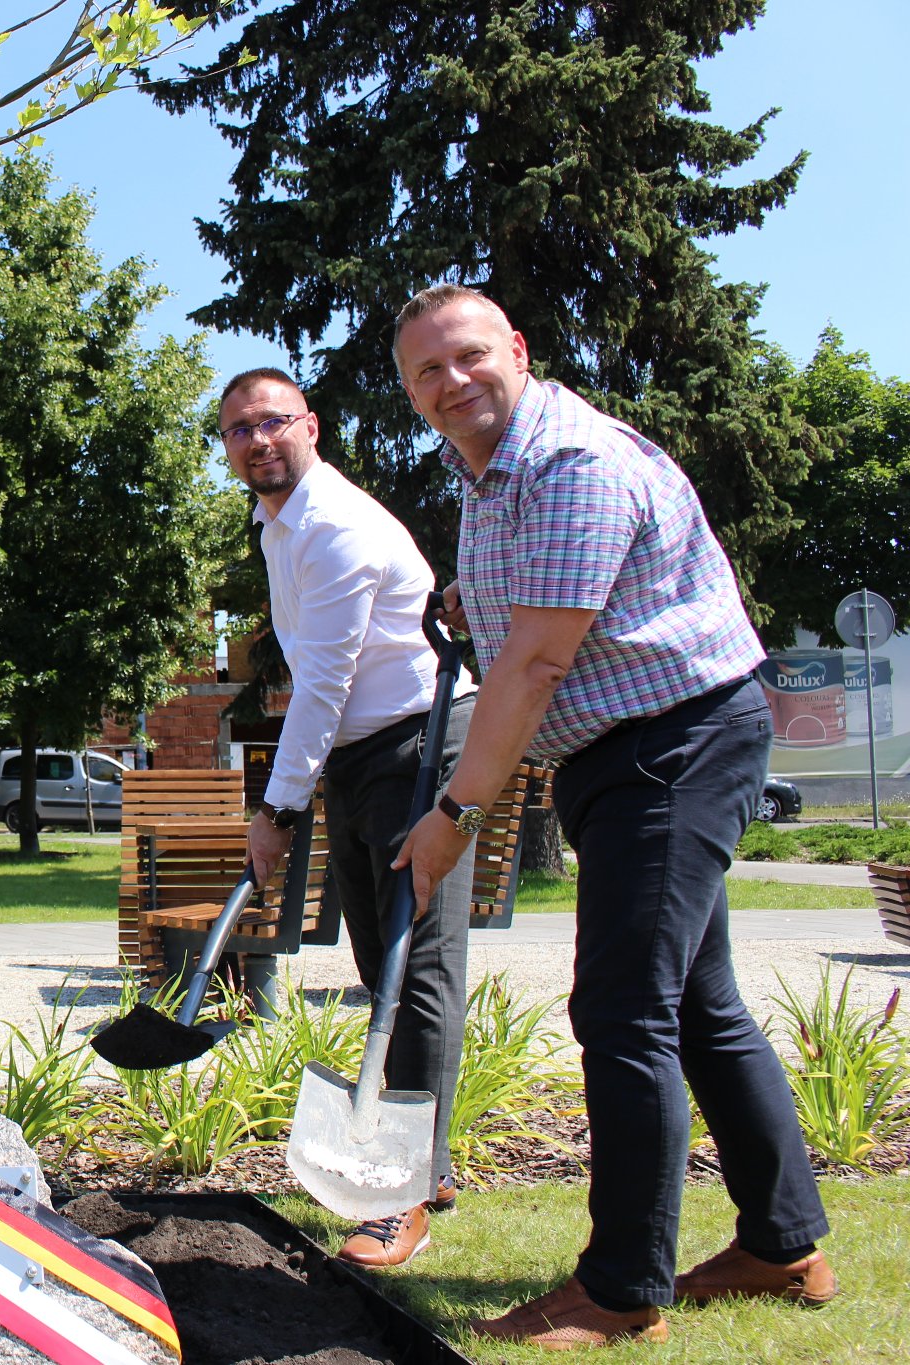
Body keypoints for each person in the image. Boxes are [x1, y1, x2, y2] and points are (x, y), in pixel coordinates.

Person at [390, 285, 835, 1350]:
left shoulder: (569, 464)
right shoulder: (485, 468)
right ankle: (782, 1245)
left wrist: (456, 811)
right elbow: (539, 613)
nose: (450, 385)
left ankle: (620, 1289)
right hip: (623, 753)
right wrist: (470, 603)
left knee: (622, 1007)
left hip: (671, 745)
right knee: (696, 1002)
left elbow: (539, 661)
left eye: (466, 358)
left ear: (517, 350)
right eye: (425, 375)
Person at [220, 367, 477, 1269]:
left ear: (311, 426)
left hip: (420, 745)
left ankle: (404, 1193)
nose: (259, 440)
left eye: (273, 422)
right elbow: (323, 679)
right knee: (380, 955)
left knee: (421, 961)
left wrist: (277, 810)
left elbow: (322, 682)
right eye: (240, 430)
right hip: (363, 755)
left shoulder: (333, 528)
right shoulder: (276, 524)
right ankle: (426, 1155)